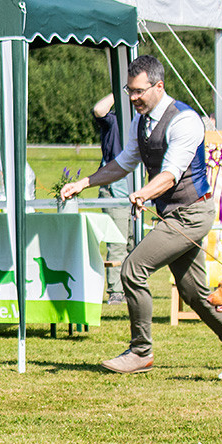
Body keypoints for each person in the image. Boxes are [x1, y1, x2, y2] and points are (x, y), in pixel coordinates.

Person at [60, 55, 222, 374]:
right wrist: (84, 182)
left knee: (133, 269)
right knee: (194, 291)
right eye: (129, 91)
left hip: (191, 212)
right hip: (173, 213)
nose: (133, 98)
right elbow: (123, 163)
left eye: (139, 91)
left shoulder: (185, 121)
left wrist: (144, 193)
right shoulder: (140, 121)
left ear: (158, 86)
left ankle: (141, 352)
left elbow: (171, 173)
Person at [91, 94, 133, 305]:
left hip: (137, 186)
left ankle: (131, 289)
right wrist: (121, 90)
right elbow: (99, 110)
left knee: (135, 243)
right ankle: (116, 292)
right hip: (115, 187)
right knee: (118, 241)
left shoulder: (142, 121)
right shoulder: (113, 119)